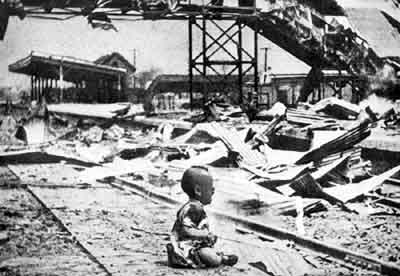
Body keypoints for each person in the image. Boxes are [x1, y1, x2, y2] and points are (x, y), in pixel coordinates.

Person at [167, 166, 238, 268]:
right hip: (185, 248)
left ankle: (220, 256)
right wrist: (204, 234)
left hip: (194, 245)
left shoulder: (197, 207)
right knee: (208, 255)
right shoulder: (192, 209)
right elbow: (186, 230)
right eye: (210, 188)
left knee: (208, 250)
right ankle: (221, 259)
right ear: (198, 191)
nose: (213, 191)